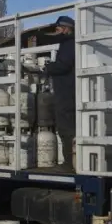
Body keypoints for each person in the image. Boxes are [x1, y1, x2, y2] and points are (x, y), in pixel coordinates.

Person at [44, 15, 76, 171]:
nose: (56, 31)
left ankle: (69, 164)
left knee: (66, 128)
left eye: (58, 29)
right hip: (67, 91)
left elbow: (64, 66)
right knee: (67, 128)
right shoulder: (68, 44)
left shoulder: (69, 44)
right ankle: (71, 162)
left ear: (66, 29)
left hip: (67, 93)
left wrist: (49, 68)